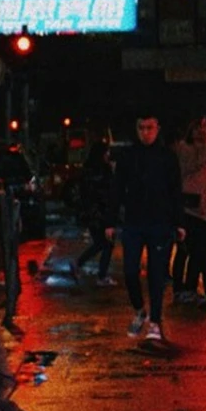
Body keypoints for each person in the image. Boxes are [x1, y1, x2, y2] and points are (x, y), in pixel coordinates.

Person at [113, 113, 184, 343]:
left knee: (157, 274)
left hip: (160, 223)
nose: (146, 132)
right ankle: (140, 309)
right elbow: (117, 189)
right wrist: (110, 221)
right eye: (142, 128)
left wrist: (179, 222)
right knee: (130, 271)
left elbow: (175, 191)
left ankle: (155, 320)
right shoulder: (127, 156)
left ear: (157, 128)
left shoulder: (167, 157)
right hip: (134, 222)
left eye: (150, 128)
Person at [173, 119, 206, 305]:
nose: (202, 132)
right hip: (189, 209)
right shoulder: (185, 150)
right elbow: (194, 164)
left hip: (203, 210)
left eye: (204, 128)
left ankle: (191, 288)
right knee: (188, 250)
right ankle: (182, 289)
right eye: (198, 128)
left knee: (199, 252)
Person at [71, 134, 117, 283]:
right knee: (106, 243)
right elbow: (103, 191)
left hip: (95, 213)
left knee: (102, 243)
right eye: (106, 152)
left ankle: (80, 264)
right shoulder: (98, 172)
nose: (108, 155)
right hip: (97, 213)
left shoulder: (94, 170)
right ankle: (100, 275)